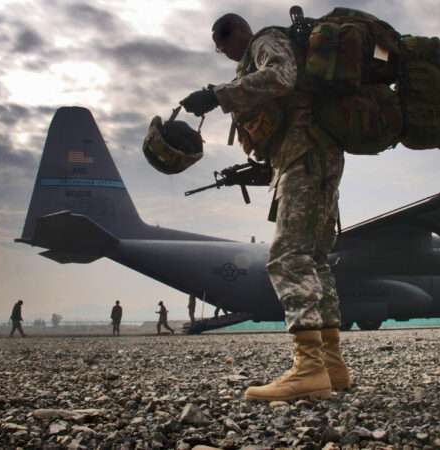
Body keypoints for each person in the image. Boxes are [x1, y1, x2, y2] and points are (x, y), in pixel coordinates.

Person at [179, 12, 350, 402]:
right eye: (217, 44)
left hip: (305, 155)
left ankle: (308, 370)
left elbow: (281, 77)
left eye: (222, 37)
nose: (220, 48)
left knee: (287, 257)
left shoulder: (265, 43)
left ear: (237, 30)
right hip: (311, 155)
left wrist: (218, 94)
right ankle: (332, 364)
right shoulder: (254, 59)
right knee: (315, 260)